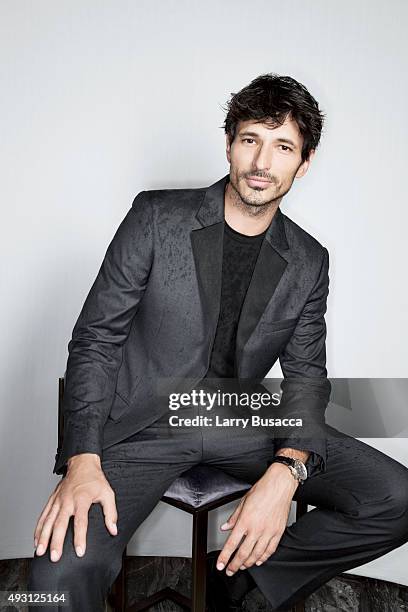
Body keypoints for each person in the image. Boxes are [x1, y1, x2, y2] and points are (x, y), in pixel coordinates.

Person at [28, 73, 408, 611]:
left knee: (395, 499)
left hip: (241, 416)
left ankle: (246, 577)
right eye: (251, 139)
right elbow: (96, 338)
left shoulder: (308, 260)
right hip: (143, 426)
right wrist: (82, 458)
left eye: (283, 147)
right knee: (57, 576)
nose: (262, 162)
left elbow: (306, 375)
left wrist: (288, 468)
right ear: (229, 143)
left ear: (304, 163)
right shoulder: (156, 218)